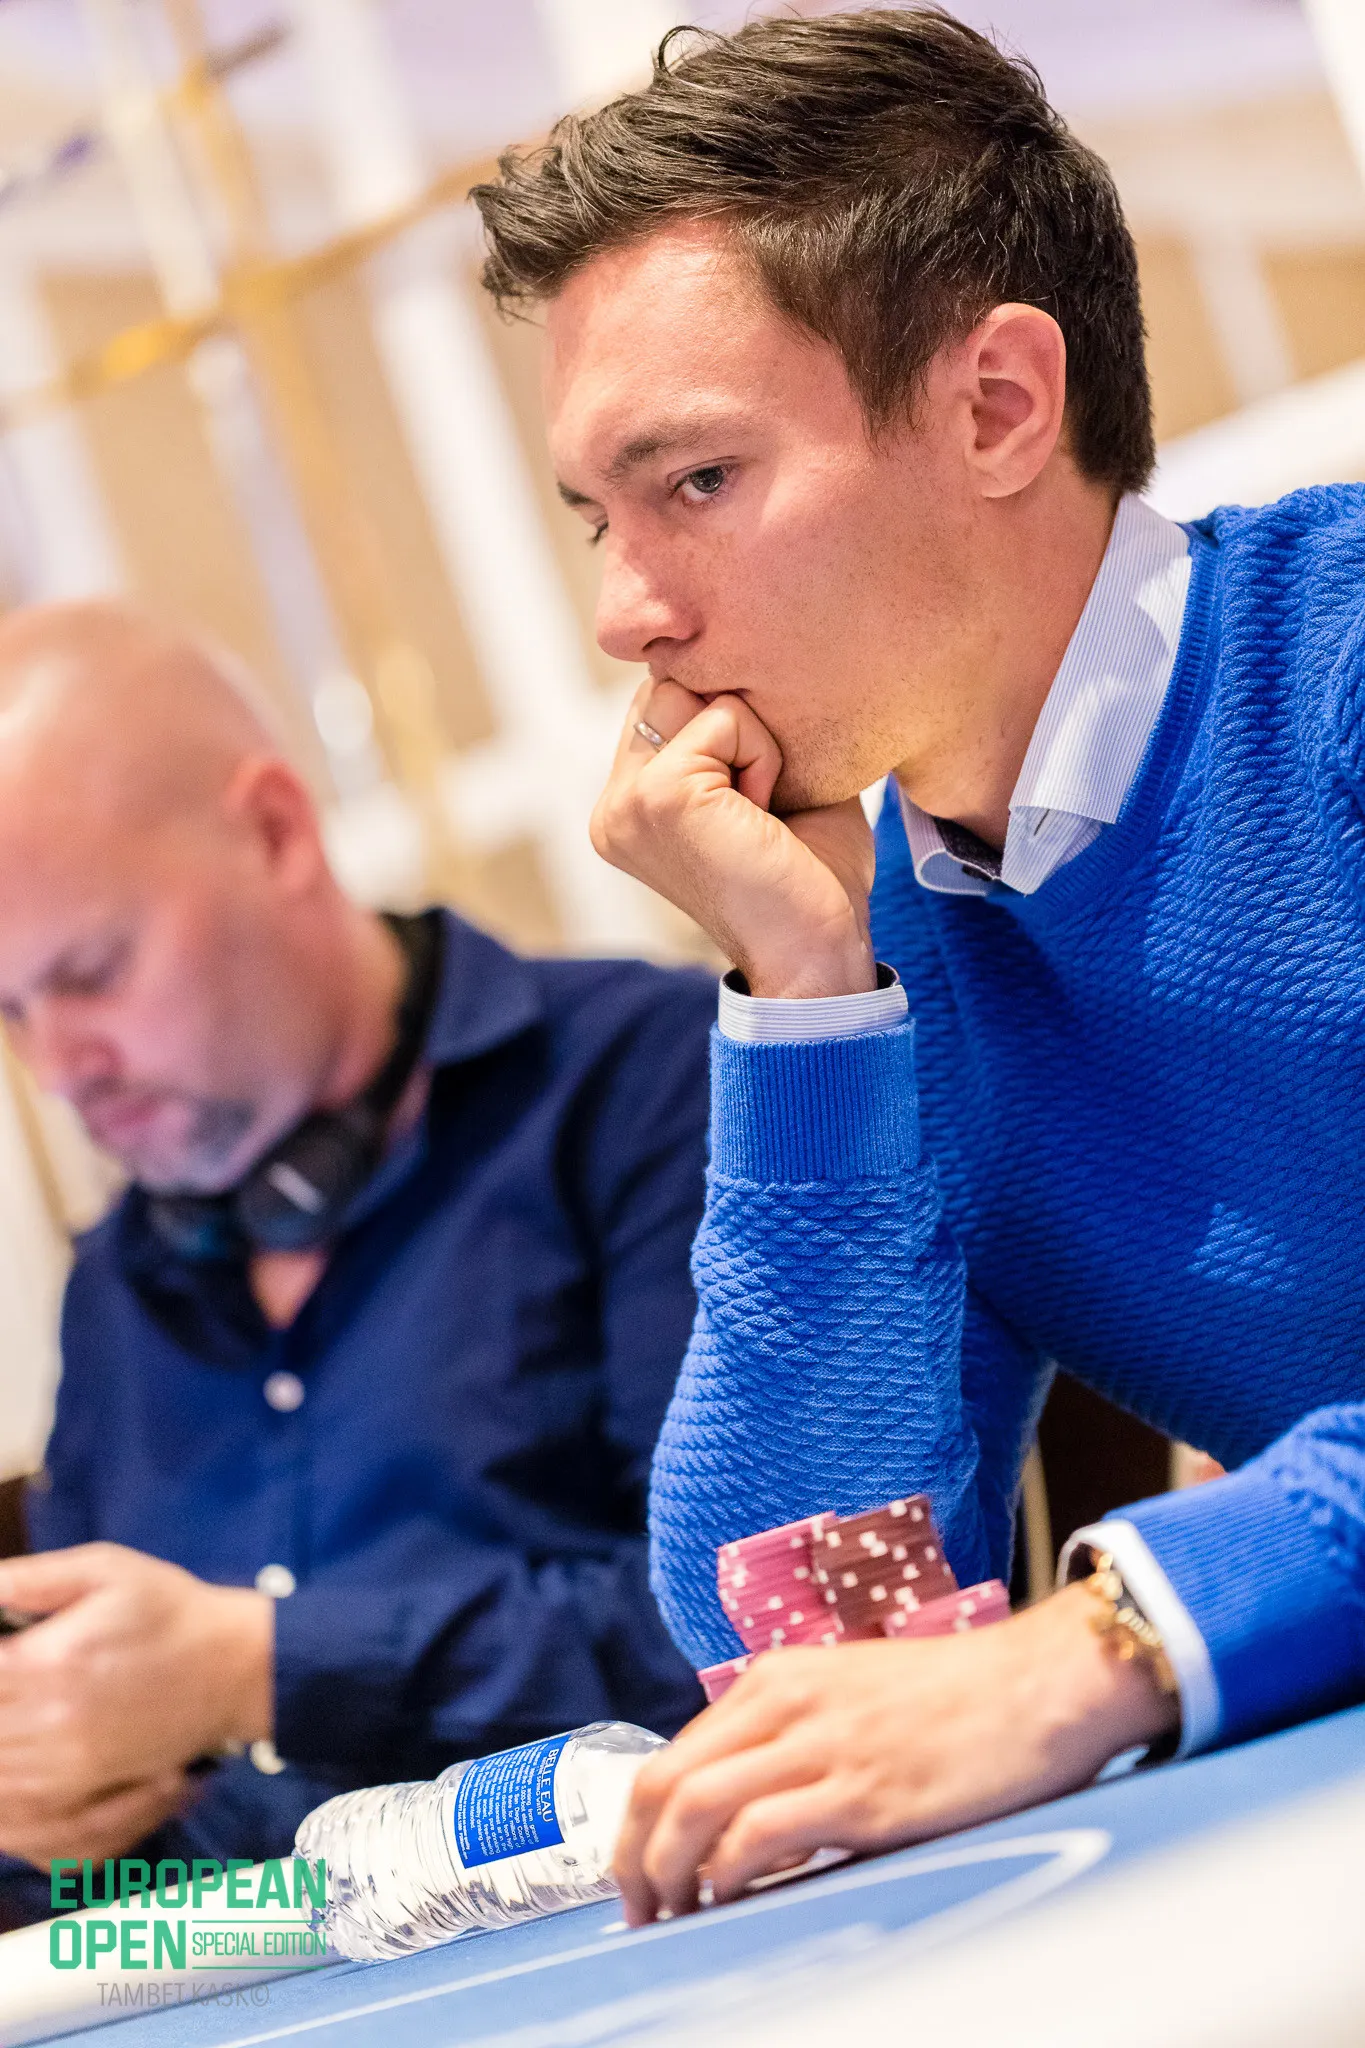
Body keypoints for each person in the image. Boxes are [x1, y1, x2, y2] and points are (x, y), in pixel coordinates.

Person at [471, 8, 1365, 1922]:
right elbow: (802, 1644)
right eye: (600, 517)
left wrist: (1110, 1643)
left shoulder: (1345, 666)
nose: (625, 612)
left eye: (696, 481)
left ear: (997, 408)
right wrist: (806, 1000)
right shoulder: (896, 935)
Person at [0, 602, 712, 1928]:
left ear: (276, 833)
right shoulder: (116, 1286)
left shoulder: (653, 1085)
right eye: (7, 1012)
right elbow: (117, 1866)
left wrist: (254, 1670)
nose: (55, 1070)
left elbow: (749, 1637)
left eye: (89, 973)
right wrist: (40, 1798)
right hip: (227, 1980)